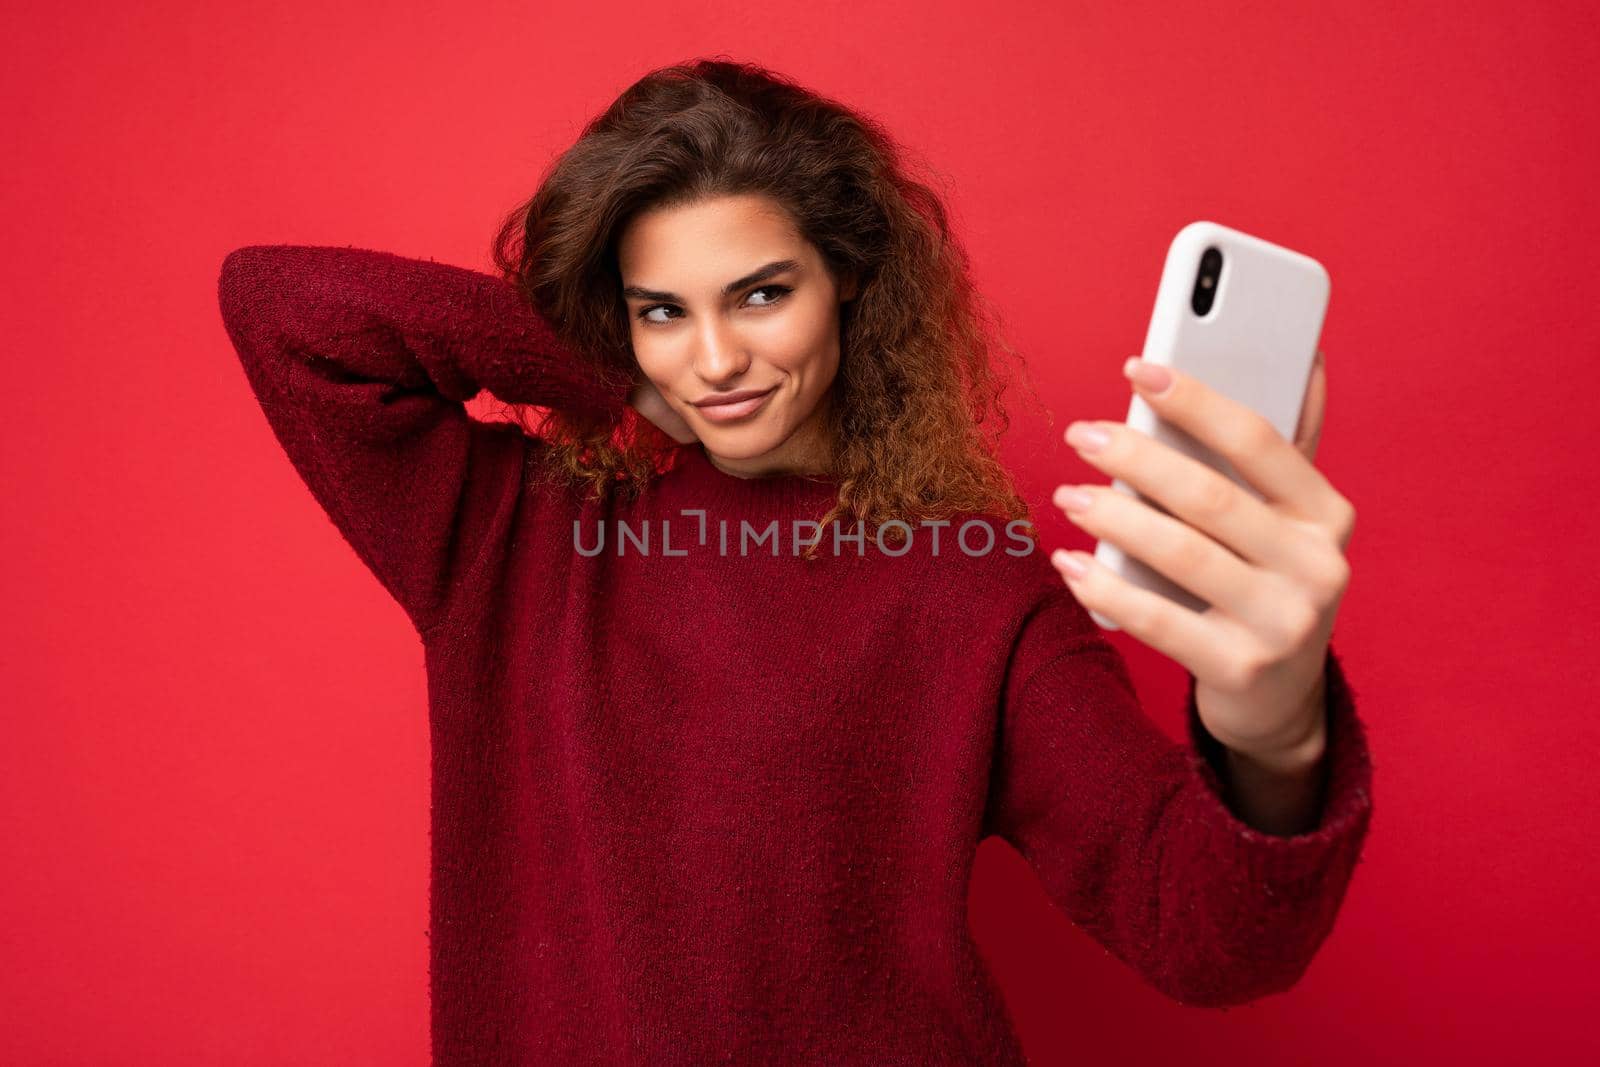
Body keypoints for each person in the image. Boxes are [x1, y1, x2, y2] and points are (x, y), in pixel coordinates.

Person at [216, 57, 1372, 1067]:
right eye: (662, 309)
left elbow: (1204, 926)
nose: (715, 359)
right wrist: (612, 376)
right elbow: (282, 307)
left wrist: (1274, 727)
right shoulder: (518, 531)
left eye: (761, 294)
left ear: (849, 276)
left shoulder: (967, 578)